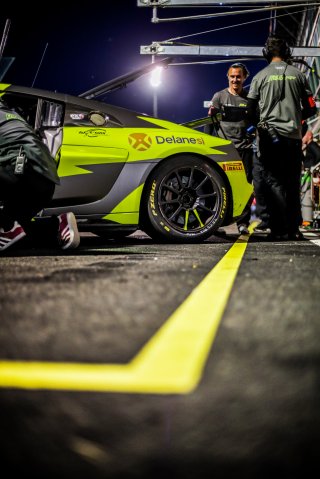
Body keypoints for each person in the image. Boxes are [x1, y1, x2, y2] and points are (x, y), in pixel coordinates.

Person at [247, 34, 317, 240]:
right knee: (292, 183)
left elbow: (250, 110)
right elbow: (311, 108)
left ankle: (277, 230)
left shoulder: (259, 77)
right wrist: (296, 116)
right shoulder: (299, 75)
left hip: (268, 139)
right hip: (292, 139)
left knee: (271, 184)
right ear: (287, 53)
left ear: (266, 54)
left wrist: (261, 124)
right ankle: (294, 229)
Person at [0, 99, 80, 252]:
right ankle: (56, 227)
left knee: (9, 224)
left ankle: (7, 225)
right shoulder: (8, 111)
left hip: (19, 170)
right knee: (17, 233)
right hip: (44, 179)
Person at [206, 62, 268, 235]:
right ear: (228, 77)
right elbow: (209, 125)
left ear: (244, 78)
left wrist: (253, 130)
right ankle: (214, 224)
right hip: (223, 151)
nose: (235, 79)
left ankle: (242, 223)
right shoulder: (219, 97)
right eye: (232, 76)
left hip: (245, 149)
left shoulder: (249, 99)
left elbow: (257, 122)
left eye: (238, 76)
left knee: (246, 187)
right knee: (216, 186)